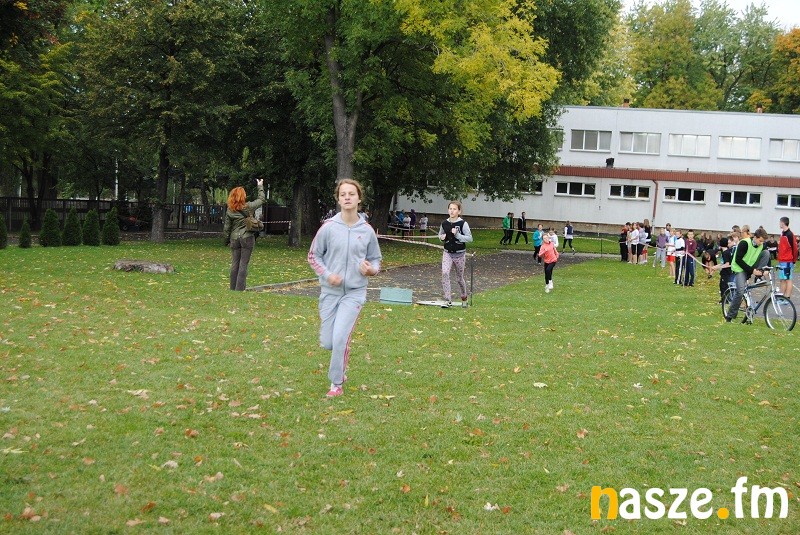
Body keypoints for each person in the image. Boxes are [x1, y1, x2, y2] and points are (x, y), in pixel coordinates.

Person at [308, 179, 382, 397]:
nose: (347, 197)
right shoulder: (328, 228)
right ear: (338, 199)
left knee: (341, 338)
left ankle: (336, 383)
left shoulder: (366, 231)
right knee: (328, 342)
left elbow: (376, 259)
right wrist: (328, 275)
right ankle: (340, 365)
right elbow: (313, 256)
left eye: (351, 194)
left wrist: (371, 270)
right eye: (343, 194)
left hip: (354, 293)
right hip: (329, 293)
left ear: (359, 198)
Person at [223, 179, 265, 291]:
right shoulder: (249, 206)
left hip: (234, 239)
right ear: (243, 196)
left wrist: (226, 241)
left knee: (235, 263)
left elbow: (226, 228)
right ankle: (240, 289)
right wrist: (260, 186)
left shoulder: (230, 210)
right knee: (243, 264)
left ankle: (233, 288)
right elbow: (261, 199)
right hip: (247, 237)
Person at [724, 228, 770, 323]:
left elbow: (766, 257)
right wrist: (752, 271)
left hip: (750, 267)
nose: (761, 243)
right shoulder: (744, 243)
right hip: (739, 269)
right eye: (760, 240)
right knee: (740, 291)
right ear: (755, 237)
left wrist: (766, 269)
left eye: (763, 241)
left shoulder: (761, 245)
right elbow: (738, 260)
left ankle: (758, 276)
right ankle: (730, 316)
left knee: (766, 252)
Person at [439, 201, 473, 308]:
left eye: (454, 209)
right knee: (445, 273)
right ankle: (447, 300)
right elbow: (440, 235)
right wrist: (441, 237)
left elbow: (469, 238)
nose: (452, 211)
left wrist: (457, 235)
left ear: (459, 211)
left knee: (459, 278)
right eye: (450, 209)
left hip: (460, 254)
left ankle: (464, 297)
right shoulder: (444, 223)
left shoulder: (463, 223)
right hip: (447, 253)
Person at [777, 216, 797, 298]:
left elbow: (794, 248)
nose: (779, 224)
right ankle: (781, 297)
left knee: (788, 279)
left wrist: (794, 260)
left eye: (780, 222)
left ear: (783, 223)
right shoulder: (783, 233)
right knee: (782, 279)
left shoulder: (790, 234)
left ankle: (787, 297)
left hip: (787, 261)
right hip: (782, 260)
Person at [712, 236, 733, 303]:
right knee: (722, 285)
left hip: (726, 273)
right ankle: (724, 299)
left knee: (724, 286)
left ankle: (724, 300)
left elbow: (727, 264)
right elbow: (722, 263)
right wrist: (715, 266)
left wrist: (717, 267)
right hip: (725, 272)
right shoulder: (726, 252)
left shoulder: (725, 253)